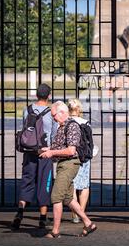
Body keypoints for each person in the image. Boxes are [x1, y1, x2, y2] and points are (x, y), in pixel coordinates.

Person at [40, 101, 97, 238]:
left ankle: (55, 231)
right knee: (67, 198)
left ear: (62, 112)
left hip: (69, 164)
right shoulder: (62, 126)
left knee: (56, 197)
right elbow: (61, 146)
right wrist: (49, 149)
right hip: (64, 164)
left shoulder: (72, 126)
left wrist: (52, 153)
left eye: (54, 115)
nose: (53, 118)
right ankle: (88, 223)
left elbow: (71, 150)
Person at [11, 84, 57, 230]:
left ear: (36, 95)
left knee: (27, 181)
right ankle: (43, 218)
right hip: (45, 152)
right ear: (48, 96)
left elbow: (24, 128)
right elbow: (54, 134)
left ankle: (19, 213)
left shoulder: (27, 110)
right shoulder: (51, 112)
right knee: (45, 183)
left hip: (29, 151)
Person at [68, 98, 93, 224]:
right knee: (84, 185)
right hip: (84, 157)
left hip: (70, 157)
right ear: (79, 110)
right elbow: (90, 142)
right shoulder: (86, 123)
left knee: (71, 185)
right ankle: (81, 212)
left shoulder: (66, 122)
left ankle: (75, 214)